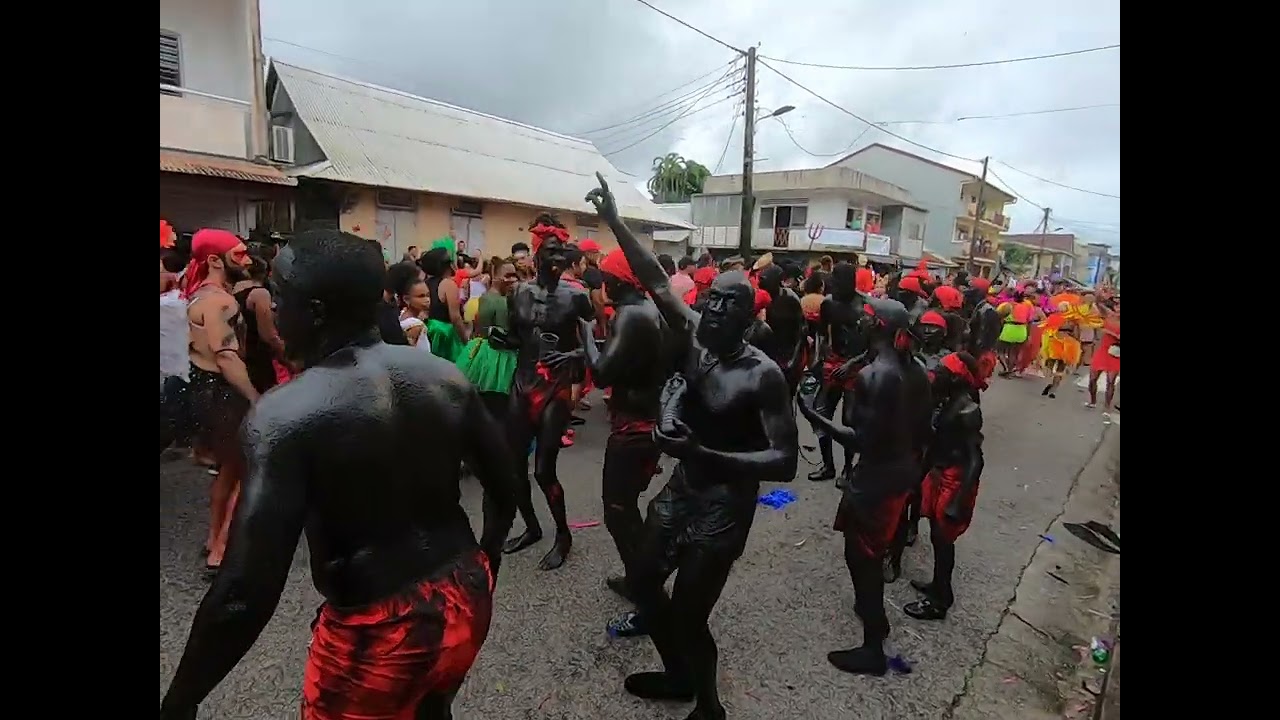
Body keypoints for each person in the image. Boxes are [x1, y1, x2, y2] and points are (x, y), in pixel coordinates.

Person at [159, 231, 518, 720]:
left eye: (281, 298)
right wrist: (487, 559)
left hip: (378, 639)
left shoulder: (284, 416)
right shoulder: (443, 377)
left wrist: (180, 700)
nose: (272, 311)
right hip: (466, 596)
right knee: (429, 707)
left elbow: (244, 593)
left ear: (317, 311)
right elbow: (505, 482)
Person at [587, 174, 798, 720]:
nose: (717, 311)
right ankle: (678, 672)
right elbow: (657, 280)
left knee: (689, 615)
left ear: (750, 317)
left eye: (731, 305)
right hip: (682, 491)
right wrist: (615, 219)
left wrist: (703, 453)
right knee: (641, 582)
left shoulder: (763, 376)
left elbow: (785, 461)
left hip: (724, 507)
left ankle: (708, 704)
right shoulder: (699, 333)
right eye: (714, 301)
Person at [797, 297, 932, 676]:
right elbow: (924, 430)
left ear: (877, 327)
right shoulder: (916, 369)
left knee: (862, 557)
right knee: (872, 552)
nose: (859, 320)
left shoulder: (876, 376)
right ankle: (869, 608)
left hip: (876, 481)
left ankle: (874, 645)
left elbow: (860, 441)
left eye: (866, 318)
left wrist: (813, 414)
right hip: (903, 472)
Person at [576, 249, 667, 625]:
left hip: (635, 429)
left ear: (618, 281)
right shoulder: (648, 311)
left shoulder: (630, 316)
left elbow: (602, 374)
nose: (601, 287)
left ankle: (649, 600)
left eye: (606, 279)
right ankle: (640, 581)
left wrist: (585, 334)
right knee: (625, 509)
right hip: (646, 422)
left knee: (620, 511)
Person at [502, 213, 597, 571]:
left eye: (563, 253)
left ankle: (563, 534)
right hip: (522, 383)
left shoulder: (578, 297)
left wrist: (572, 354)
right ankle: (531, 527)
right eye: (551, 252)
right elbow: (517, 337)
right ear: (537, 255)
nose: (558, 259)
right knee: (513, 467)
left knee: (544, 470)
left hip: (555, 389)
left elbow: (594, 344)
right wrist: (501, 341)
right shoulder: (518, 293)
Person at [183, 229, 259, 572]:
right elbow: (227, 356)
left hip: (203, 389)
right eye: (239, 254)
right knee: (244, 471)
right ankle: (221, 549)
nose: (248, 260)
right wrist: (256, 398)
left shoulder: (200, 295)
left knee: (227, 472)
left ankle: (213, 539)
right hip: (224, 394)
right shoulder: (222, 303)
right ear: (215, 260)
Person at [904, 352, 985, 622]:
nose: (934, 373)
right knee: (937, 537)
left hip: (955, 479)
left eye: (940, 371)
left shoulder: (968, 410)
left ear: (955, 377)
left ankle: (940, 600)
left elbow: (976, 459)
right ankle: (938, 586)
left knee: (943, 539)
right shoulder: (948, 402)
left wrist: (957, 500)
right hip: (940, 473)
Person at [808, 262, 870, 483]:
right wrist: (818, 359)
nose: (834, 284)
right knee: (820, 414)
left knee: (849, 420)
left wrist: (852, 364)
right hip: (832, 362)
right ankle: (828, 465)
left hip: (856, 366)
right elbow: (822, 335)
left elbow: (871, 346)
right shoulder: (828, 304)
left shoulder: (864, 306)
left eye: (839, 280)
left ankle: (847, 469)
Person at [457, 257, 521, 421]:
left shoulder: (486, 297)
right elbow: (499, 331)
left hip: (481, 350)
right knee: (496, 407)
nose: (513, 279)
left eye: (515, 275)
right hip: (497, 356)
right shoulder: (500, 301)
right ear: (497, 277)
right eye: (509, 275)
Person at [757, 264, 808, 396]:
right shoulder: (761, 298)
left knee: (786, 395)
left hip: (788, 351)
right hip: (767, 353)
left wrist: (794, 359)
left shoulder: (790, 299)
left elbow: (802, 330)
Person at [419, 247, 468, 361]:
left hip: (429, 334)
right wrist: (465, 340)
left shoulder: (424, 284)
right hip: (446, 338)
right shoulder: (448, 284)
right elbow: (455, 317)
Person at [964, 278, 1001, 387]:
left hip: (978, 353)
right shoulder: (975, 307)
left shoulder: (988, 311)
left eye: (972, 288)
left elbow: (990, 335)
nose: (968, 291)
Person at [1086, 304, 1120, 412]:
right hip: (1103, 350)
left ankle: (1107, 406)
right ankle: (1093, 401)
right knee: (1092, 378)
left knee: (1110, 382)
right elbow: (1098, 301)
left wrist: (1113, 334)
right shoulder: (1109, 315)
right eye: (1118, 306)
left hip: (1115, 352)